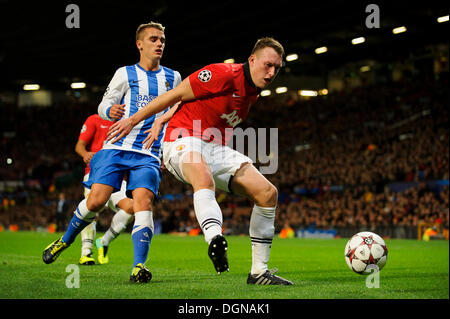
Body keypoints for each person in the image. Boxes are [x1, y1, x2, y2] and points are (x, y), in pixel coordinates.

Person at [108, 37, 293, 285]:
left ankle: (259, 272)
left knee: (268, 193)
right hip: (182, 138)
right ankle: (215, 239)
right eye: (267, 65)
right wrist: (134, 120)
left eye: (276, 68)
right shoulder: (222, 73)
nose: (271, 73)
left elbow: (189, 101)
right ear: (252, 59)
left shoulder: (253, 92)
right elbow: (175, 94)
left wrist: (163, 119)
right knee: (203, 177)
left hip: (216, 146)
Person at [42, 21, 182, 283]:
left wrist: (166, 138)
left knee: (144, 204)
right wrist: (109, 111)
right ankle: (64, 240)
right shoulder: (125, 73)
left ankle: (138, 266)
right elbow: (105, 103)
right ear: (139, 44)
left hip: (147, 153)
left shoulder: (173, 77)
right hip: (116, 147)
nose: (159, 44)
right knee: (95, 201)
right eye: (153, 39)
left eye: (162, 39)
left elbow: (179, 105)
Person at [75, 113, 134, 265]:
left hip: (119, 175)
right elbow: (79, 145)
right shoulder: (94, 119)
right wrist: (85, 154)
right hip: (95, 172)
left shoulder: (130, 119)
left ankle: (104, 241)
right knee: (91, 210)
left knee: (130, 207)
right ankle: (86, 252)